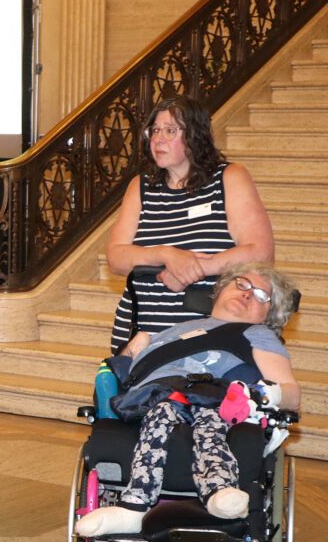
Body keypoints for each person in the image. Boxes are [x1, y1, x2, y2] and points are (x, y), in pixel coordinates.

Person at [76, 263, 299, 537]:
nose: (248, 294)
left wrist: (265, 394)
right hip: (153, 399)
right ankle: (133, 507)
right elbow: (123, 374)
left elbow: (291, 393)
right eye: (241, 284)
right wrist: (133, 348)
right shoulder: (171, 331)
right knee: (161, 411)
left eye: (262, 296)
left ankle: (219, 493)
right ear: (219, 290)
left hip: (216, 397)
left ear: (269, 315)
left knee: (209, 422)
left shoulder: (257, 334)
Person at [107, 95, 274, 355]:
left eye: (171, 130)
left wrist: (192, 269)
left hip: (209, 334)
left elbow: (260, 252)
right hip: (142, 332)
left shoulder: (229, 178)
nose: (158, 138)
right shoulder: (140, 187)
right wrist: (166, 254)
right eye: (155, 130)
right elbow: (116, 257)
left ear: (195, 137)